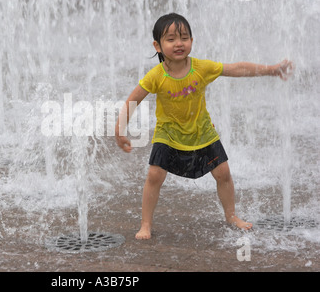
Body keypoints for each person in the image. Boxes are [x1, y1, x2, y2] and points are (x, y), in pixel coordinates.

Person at [115, 13, 294, 240]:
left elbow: (236, 69)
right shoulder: (156, 75)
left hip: (202, 132)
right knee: (154, 176)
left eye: (184, 37)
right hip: (168, 134)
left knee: (223, 173)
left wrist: (271, 70)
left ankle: (231, 215)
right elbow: (134, 100)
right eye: (170, 39)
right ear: (157, 46)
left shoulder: (201, 67)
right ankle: (146, 224)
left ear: (191, 40)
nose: (179, 43)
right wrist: (119, 130)